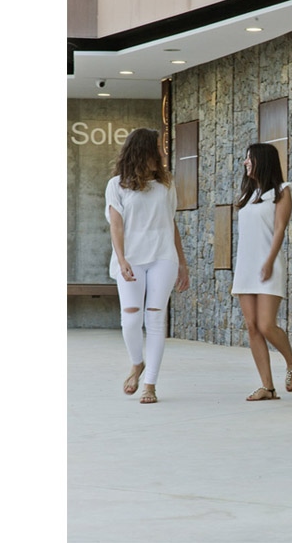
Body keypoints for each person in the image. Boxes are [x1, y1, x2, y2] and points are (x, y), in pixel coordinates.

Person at [105, 128, 189, 404]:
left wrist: (182, 263)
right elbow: (116, 225)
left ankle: (150, 384)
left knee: (154, 319)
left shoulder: (166, 183)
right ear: (144, 151)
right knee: (131, 319)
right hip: (130, 258)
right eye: (159, 147)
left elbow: (170, 222)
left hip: (163, 257)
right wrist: (121, 259)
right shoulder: (116, 185)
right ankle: (137, 363)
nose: (164, 152)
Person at [231, 143, 292, 401]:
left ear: (262, 160)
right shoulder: (249, 194)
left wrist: (269, 261)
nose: (245, 163)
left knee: (266, 324)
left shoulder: (283, 191)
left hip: (268, 265)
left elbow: (279, 229)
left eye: (249, 158)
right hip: (246, 267)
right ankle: (268, 387)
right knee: (252, 327)